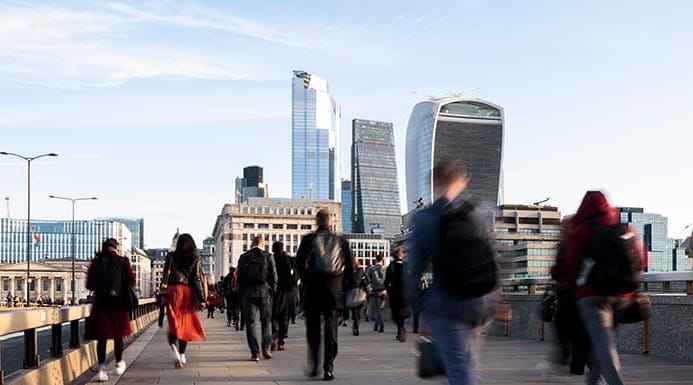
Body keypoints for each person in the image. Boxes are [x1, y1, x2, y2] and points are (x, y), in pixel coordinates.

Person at [406, 158, 500, 385]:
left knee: (458, 369)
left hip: (447, 304)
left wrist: (420, 305)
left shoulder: (424, 219)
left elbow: (413, 269)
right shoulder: (479, 213)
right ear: (463, 182)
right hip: (481, 301)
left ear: (434, 182)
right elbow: (493, 258)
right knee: (466, 362)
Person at [564, 191, 645, 385]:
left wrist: (571, 286)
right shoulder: (624, 229)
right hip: (624, 294)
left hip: (593, 296)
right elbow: (640, 261)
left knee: (604, 347)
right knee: (601, 344)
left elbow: (571, 264)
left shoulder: (583, 231)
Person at [296, 209, 354, 381]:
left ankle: (315, 365)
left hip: (313, 288)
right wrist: (341, 282)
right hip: (333, 290)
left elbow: (298, 263)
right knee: (331, 329)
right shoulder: (341, 240)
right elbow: (351, 267)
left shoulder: (308, 239)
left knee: (313, 329)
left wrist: (307, 279)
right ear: (331, 222)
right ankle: (329, 368)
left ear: (316, 222)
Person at [85, 238, 135, 382]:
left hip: (101, 303)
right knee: (118, 335)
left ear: (103, 248)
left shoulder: (96, 261)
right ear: (116, 248)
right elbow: (131, 280)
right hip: (118, 303)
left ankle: (101, 369)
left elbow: (89, 284)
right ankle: (119, 363)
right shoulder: (123, 261)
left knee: (102, 337)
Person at [545, 219, 589, 376]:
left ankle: (565, 354)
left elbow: (561, 271)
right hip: (581, 293)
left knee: (562, 327)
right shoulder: (584, 243)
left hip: (565, 293)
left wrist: (554, 270)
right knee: (579, 330)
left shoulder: (564, 246)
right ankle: (577, 365)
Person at [164, 233, 207, 369]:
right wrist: (201, 299)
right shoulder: (195, 258)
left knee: (173, 321)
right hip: (187, 292)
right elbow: (196, 279)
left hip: (172, 290)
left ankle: (173, 346)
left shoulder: (170, 256)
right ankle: (182, 354)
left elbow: (166, 274)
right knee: (185, 323)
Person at [237, 236, 277, 361]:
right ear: (262, 244)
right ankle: (266, 348)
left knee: (251, 323)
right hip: (264, 292)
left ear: (252, 244)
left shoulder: (244, 257)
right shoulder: (268, 256)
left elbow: (240, 277)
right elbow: (274, 276)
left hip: (248, 293)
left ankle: (255, 352)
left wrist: (242, 292)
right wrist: (272, 291)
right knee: (266, 322)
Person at [271, 241, 296, 351]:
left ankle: (274, 335)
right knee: (285, 315)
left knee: (274, 315)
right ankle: (281, 341)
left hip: (274, 290)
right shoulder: (286, 258)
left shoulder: (271, 259)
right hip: (287, 290)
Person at [385, 247, 410, 342]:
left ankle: (400, 328)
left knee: (395, 313)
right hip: (404, 293)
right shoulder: (405, 266)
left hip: (394, 293)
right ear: (401, 255)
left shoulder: (390, 267)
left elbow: (386, 281)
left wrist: (389, 291)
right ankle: (401, 327)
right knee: (402, 312)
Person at [342, 256, 369, 336]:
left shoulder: (347, 271)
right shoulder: (361, 271)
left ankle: (355, 324)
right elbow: (366, 282)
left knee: (354, 311)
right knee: (358, 310)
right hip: (360, 292)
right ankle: (357, 324)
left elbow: (344, 282)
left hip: (351, 292)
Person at [365, 254, 387, 333]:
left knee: (377, 309)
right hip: (384, 290)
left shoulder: (371, 269)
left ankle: (381, 325)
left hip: (375, 290)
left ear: (376, 260)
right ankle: (376, 326)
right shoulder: (386, 268)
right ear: (382, 260)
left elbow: (367, 278)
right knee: (380, 309)